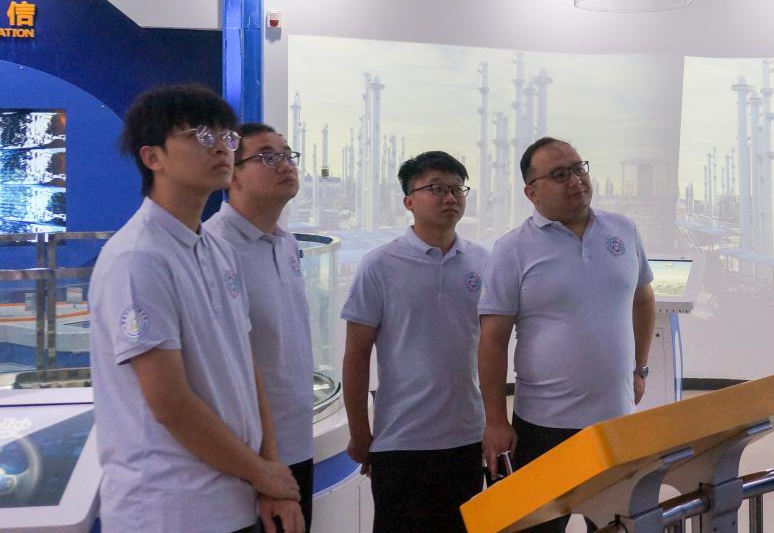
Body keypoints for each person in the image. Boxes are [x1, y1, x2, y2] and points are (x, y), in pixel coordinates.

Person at [90, 84, 303, 533]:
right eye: (201, 135)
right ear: (153, 157)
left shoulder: (215, 249)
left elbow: (246, 366)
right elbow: (169, 402)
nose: (222, 147)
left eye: (226, 136)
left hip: (235, 498)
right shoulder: (139, 257)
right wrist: (261, 472)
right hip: (169, 510)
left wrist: (270, 474)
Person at [478, 136, 657, 533]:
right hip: (543, 426)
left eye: (579, 168)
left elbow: (644, 299)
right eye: (559, 174)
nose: (575, 180)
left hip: (615, 422)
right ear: (532, 192)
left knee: (615, 525)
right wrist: (495, 420)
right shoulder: (512, 249)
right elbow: (492, 340)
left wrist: (640, 368)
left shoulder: (623, 230)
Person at [341, 151, 487, 533]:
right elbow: (356, 354)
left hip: (467, 436)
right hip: (400, 439)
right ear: (409, 201)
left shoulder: (483, 262)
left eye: (457, 189)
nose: (450, 197)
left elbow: (493, 347)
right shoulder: (380, 265)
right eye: (436, 188)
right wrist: (359, 430)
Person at [204, 123, 314, 531]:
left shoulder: (285, 242)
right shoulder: (213, 248)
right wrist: (262, 468)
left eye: (287, 155)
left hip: (297, 443)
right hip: (247, 460)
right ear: (232, 174)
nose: (285, 165)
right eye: (268, 156)